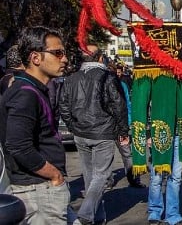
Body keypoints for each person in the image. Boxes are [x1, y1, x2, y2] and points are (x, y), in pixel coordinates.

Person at [0, 26, 69, 224]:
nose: (64, 59)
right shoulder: (25, 93)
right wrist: (54, 174)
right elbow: (17, 145)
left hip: (43, 189)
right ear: (35, 58)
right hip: (39, 191)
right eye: (57, 53)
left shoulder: (32, 89)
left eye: (64, 53)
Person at [60, 44, 129, 225]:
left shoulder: (71, 78)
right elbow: (118, 105)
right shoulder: (107, 77)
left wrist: (73, 126)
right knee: (101, 176)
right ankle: (85, 215)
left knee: (90, 176)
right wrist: (123, 130)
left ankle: (98, 216)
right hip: (102, 132)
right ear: (100, 58)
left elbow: (64, 106)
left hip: (81, 132)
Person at [108, 60, 143, 189]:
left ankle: (132, 178)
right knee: (115, 154)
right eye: (114, 71)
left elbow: (127, 104)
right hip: (112, 125)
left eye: (118, 72)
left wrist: (128, 122)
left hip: (115, 125)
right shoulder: (114, 84)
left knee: (125, 153)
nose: (116, 73)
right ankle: (111, 180)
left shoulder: (122, 84)